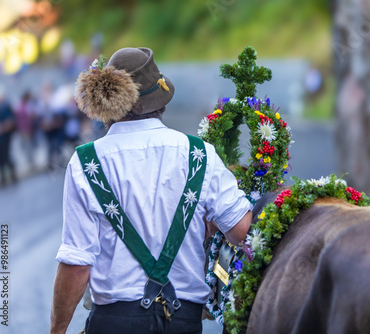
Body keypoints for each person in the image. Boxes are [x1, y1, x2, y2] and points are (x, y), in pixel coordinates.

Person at [50, 47, 252, 334]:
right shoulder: (200, 155)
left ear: (108, 105)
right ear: (161, 101)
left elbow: (77, 264)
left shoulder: (86, 162)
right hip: (183, 322)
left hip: (114, 323)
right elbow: (242, 231)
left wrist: (57, 330)